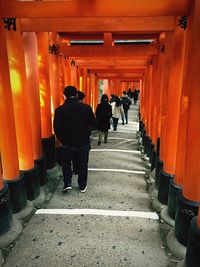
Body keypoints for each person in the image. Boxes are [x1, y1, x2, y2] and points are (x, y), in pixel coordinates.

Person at [54, 86, 96, 193]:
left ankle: (67, 183)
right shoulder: (86, 108)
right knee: (83, 163)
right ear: (77, 95)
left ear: (64, 95)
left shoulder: (59, 110)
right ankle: (82, 185)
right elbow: (93, 123)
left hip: (68, 143)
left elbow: (57, 129)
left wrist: (63, 141)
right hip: (83, 142)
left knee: (66, 163)